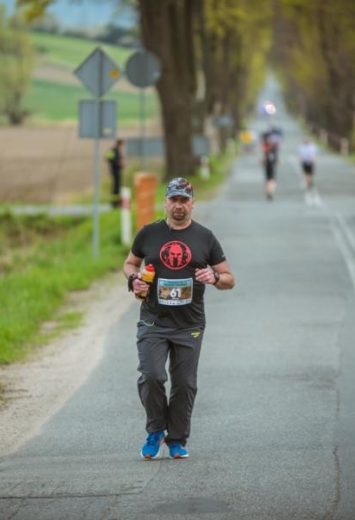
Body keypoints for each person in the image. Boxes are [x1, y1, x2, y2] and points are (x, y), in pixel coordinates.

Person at [124, 177, 235, 460]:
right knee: (151, 376)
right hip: (153, 321)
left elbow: (229, 279)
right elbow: (130, 263)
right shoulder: (148, 234)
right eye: (174, 200)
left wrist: (215, 277)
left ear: (193, 204)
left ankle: (176, 439)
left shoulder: (205, 237)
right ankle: (155, 430)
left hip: (190, 324)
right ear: (166, 202)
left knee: (184, 384)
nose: (179, 206)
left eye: (184, 201)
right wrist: (134, 279)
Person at [106, 139, 125, 208]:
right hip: (115, 170)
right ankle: (114, 203)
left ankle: (118, 203)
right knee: (115, 187)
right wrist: (118, 163)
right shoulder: (113, 150)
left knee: (118, 187)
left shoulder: (118, 151)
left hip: (118, 171)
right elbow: (109, 159)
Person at [262, 132, 279, 200]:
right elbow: (277, 161)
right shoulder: (273, 151)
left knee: (268, 180)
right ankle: (270, 192)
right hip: (270, 166)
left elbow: (262, 159)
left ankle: (268, 192)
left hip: (268, 166)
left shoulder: (267, 151)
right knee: (271, 181)